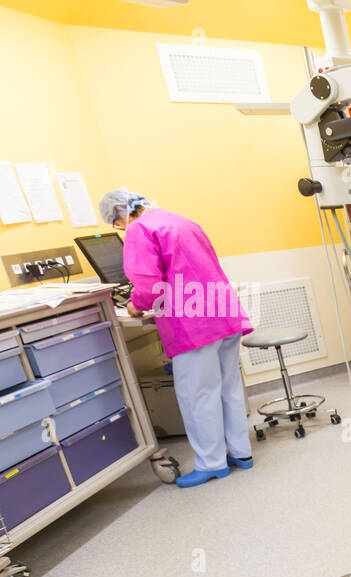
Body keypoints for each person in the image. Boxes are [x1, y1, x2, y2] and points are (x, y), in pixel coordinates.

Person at [100, 189, 254, 487]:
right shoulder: (180, 221)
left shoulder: (138, 230)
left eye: (116, 224)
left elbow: (146, 285)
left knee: (198, 394)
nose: (120, 229)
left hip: (192, 323)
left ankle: (212, 464)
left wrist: (134, 305)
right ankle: (241, 453)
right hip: (221, 311)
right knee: (228, 386)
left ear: (121, 214)